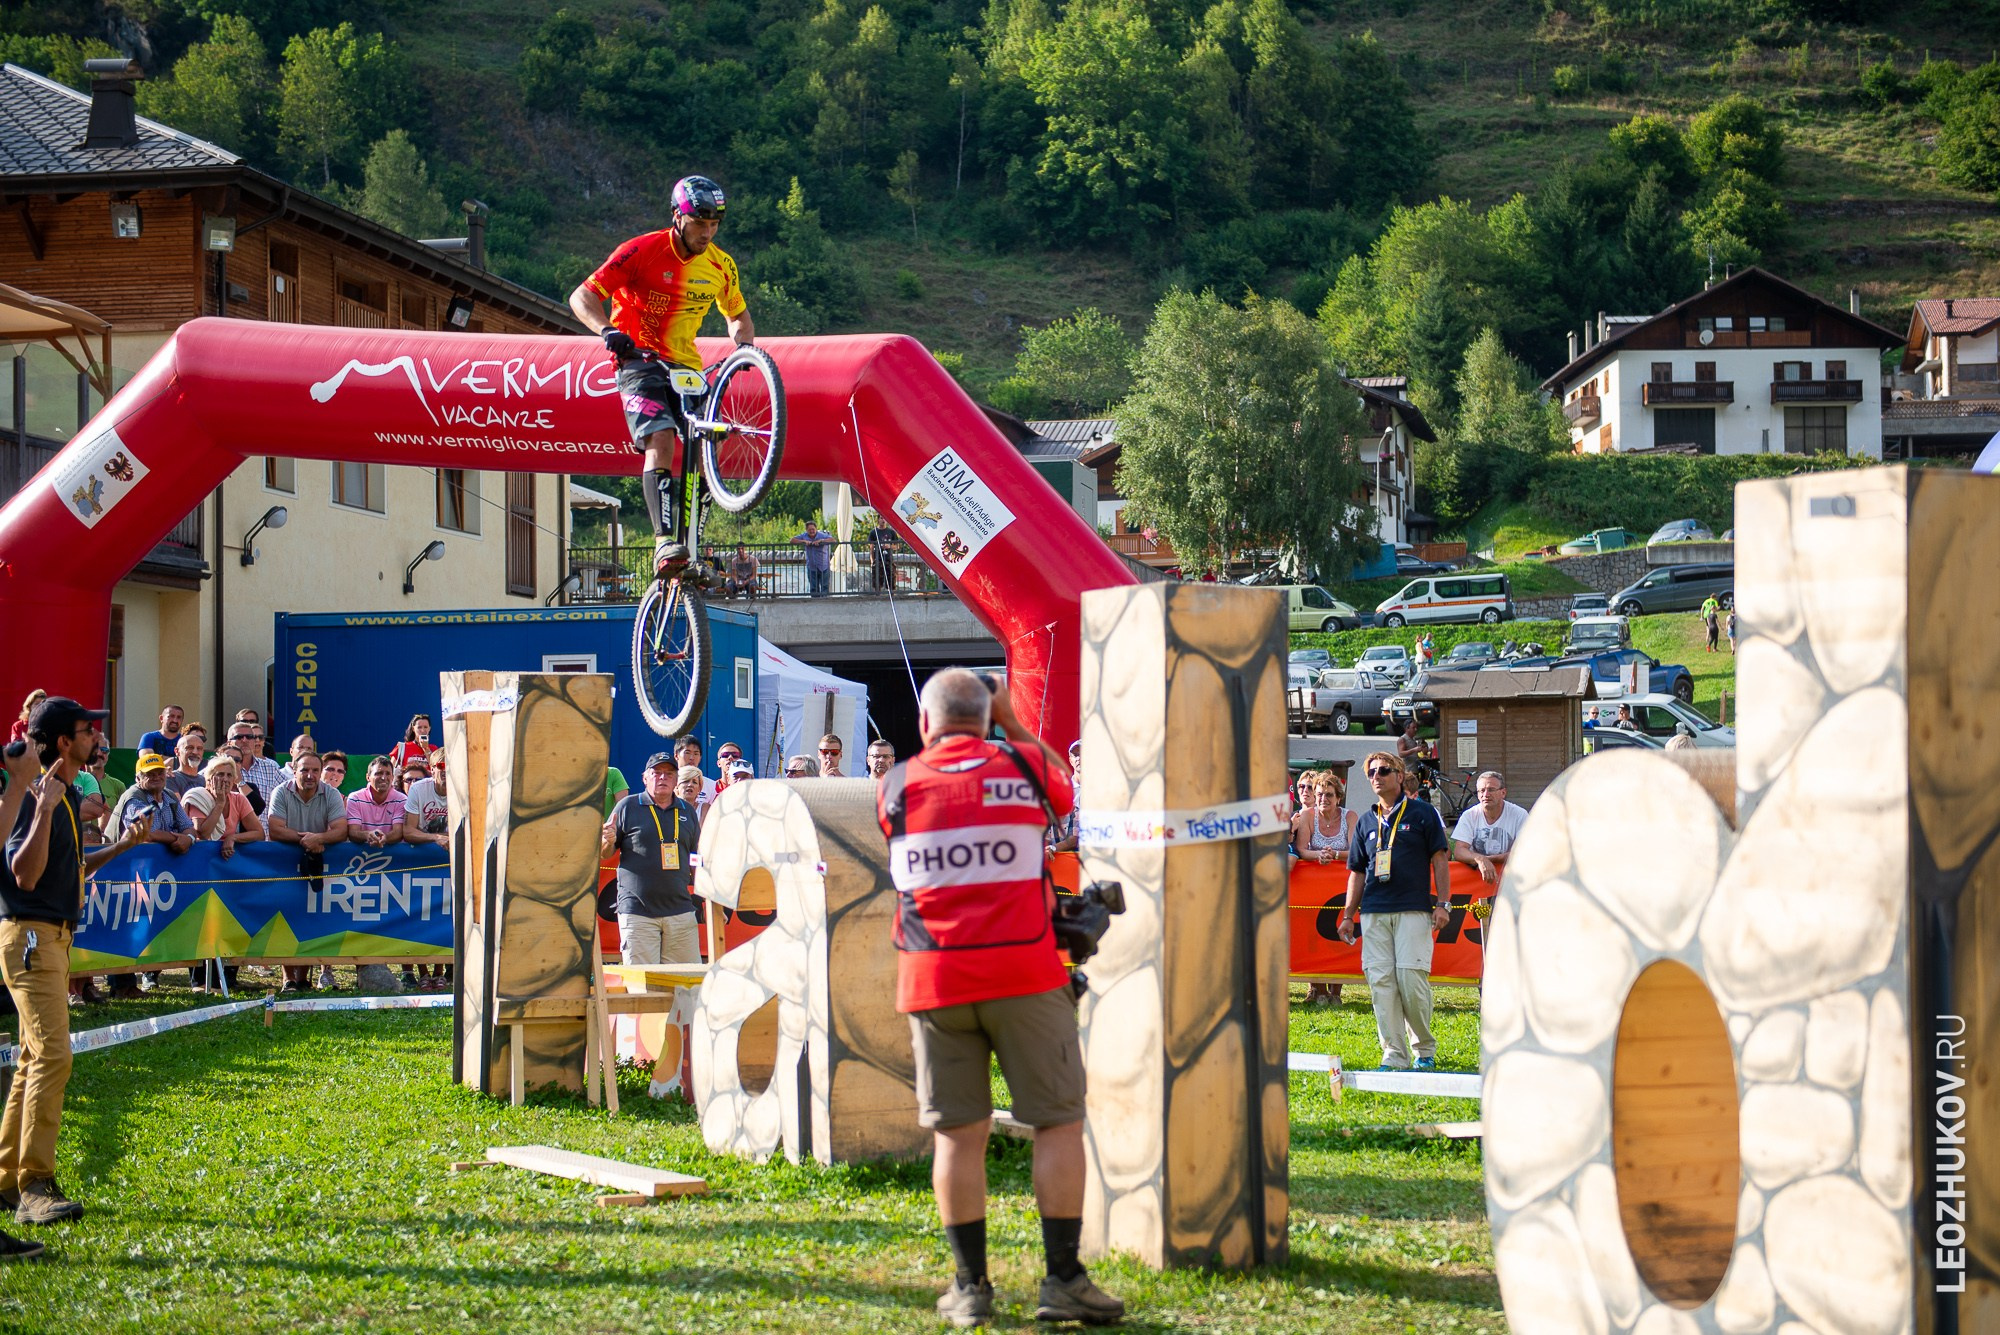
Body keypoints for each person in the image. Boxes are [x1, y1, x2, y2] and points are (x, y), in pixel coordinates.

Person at [877, 669, 1121, 1328]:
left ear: (925, 723)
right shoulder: (1024, 763)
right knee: (1057, 1121)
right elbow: (1063, 790)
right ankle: (1064, 1279)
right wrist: (1011, 723)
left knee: (957, 1136)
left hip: (933, 977)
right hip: (1025, 972)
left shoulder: (894, 785)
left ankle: (969, 1288)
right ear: (988, 718)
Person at [3, 697, 151, 1231]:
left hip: (48, 938)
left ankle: (7, 1179)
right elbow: (24, 873)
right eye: (89, 731)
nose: (98, 739)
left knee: (32, 1059)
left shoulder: (63, 795)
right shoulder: (36, 797)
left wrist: (123, 846)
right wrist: (43, 809)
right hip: (32, 937)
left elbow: (69, 866)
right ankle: (34, 1185)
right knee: (53, 1057)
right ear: (64, 742)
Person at [568, 174, 756, 577]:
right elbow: (581, 296)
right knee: (662, 437)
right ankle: (662, 541)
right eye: (699, 223)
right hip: (639, 360)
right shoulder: (641, 250)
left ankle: (693, 549)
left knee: (707, 450)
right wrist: (607, 331)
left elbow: (738, 316)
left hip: (687, 367)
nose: (707, 232)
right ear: (677, 216)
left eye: (714, 224)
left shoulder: (721, 265)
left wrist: (744, 347)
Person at [1335, 752, 1451, 1073]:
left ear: (1400, 775)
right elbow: (1357, 872)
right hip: (1373, 911)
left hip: (1413, 908)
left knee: (1410, 979)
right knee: (1381, 982)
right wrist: (1348, 916)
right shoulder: (1366, 821)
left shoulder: (1423, 813)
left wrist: (1443, 903)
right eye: (1371, 772)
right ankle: (1394, 1055)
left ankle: (1424, 1050)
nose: (1377, 776)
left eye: (1384, 770)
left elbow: (1440, 860)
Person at [600, 753, 702, 1002]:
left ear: (676, 780)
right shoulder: (627, 807)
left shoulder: (687, 811)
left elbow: (696, 858)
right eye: (656, 773)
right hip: (638, 914)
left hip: (680, 912)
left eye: (669, 774)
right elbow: (605, 853)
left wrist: (706, 896)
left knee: (687, 992)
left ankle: (682, 1031)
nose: (662, 778)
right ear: (645, 778)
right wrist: (607, 840)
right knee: (642, 993)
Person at [267, 753, 349, 991]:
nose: (310, 775)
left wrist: (319, 839)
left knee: (309, 916)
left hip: (317, 861)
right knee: (286, 916)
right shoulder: (281, 792)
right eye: (304, 770)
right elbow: (275, 829)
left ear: (321, 772)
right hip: (284, 861)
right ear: (294, 770)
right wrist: (308, 839)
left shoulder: (331, 794)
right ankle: (287, 978)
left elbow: (341, 830)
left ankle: (303, 978)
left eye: (315, 770)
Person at [1290, 771, 1358, 1007]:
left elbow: (1357, 850)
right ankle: (1318, 989)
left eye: (1328, 795)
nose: (1322, 799)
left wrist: (1336, 854)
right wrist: (1318, 855)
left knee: (1339, 934)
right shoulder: (1307, 815)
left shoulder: (1350, 816)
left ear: (1338, 797)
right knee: (1313, 934)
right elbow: (1301, 849)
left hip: (1342, 884)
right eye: (1319, 794)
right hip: (1314, 884)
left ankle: (1336, 990)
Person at [400, 755, 452, 992]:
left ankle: (440, 972)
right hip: (420, 857)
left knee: (445, 915)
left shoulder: (463, 788)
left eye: (450, 765)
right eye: (441, 766)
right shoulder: (419, 789)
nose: (445, 770)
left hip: (449, 861)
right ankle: (422, 972)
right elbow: (409, 831)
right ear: (432, 768)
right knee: (418, 915)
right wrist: (436, 838)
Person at [1449, 771, 1526, 886]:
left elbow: (1524, 852)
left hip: (1513, 881)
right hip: (1477, 881)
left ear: (1503, 793)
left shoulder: (1519, 815)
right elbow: (1459, 851)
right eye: (1481, 790)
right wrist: (1480, 859)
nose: (1486, 794)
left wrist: (1488, 860)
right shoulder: (1469, 815)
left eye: (1491, 790)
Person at [112, 752, 195, 855]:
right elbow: (147, 834)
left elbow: (187, 826)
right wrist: (179, 838)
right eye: (150, 774)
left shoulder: (170, 796)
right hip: (126, 860)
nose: (156, 777)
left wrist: (189, 838)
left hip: (157, 860)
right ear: (138, 778)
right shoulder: (134, 798)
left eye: (160, 773)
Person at [183, 756, 264, 857]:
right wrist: (220, 804)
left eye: (229, 775)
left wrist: (232, 838)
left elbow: (259, 833)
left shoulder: (238, 799)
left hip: (227, 857)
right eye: (220, 774)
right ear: (209, 778)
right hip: (200, 855)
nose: (225, 779)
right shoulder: (198, 797)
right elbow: (203, 835)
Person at [345, 756, 407, 849]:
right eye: (378, 773)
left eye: (388, 774)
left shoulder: (401, 799)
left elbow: (398, 832)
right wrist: (368, 835)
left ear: (392, 777)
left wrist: (385, 838)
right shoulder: (355, 798)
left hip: (393, 855)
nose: (383, 777)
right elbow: (352, 832)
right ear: (368, 777)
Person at [227, 722, 285, 806]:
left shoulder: (270, 768)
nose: (245, 740)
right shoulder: (220, 769)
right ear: (229, 743)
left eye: (249, 737)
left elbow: (290, 791)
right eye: (239, 737)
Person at [1046, 740, 1084, 854]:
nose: (1078, 758)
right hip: (1063, 857)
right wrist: (1049, 848)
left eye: (1082, 754)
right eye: (1075, 755)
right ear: (1070, 760)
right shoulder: (1061, 790)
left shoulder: (1101, 790)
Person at [792, 518, 834, 597]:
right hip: (811, 566)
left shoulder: (822, 535)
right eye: (809, 530)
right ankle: (815, 602)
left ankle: (825, 602)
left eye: (813, 529)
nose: (811, 531)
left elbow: (832, 540)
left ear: (816, 529)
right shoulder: (804, 536)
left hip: (823, 565)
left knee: (825, 586)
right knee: (813, 587)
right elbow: (792, 540)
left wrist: (821, 541)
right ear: (806, 530)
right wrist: (803, 541)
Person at [165, 731, 206, 801]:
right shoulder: (170, 778)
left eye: (199, 748)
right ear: (177, 751)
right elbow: (178, 806)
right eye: (190, 748)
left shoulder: (206, 780)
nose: (195, 752)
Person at [868, 523, 897, 592]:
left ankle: (891, 592)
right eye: (881, 518)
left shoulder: (891, 532)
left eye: (884, 519)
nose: (883, 520)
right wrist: (872, 560)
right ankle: (877, 593)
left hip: (888, 558)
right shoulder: (873, 532)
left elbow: (897, 546)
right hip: (878, 558)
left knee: (891, 577)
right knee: (877, 578)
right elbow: (871, 548)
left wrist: (889, 546)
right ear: (878, 520)